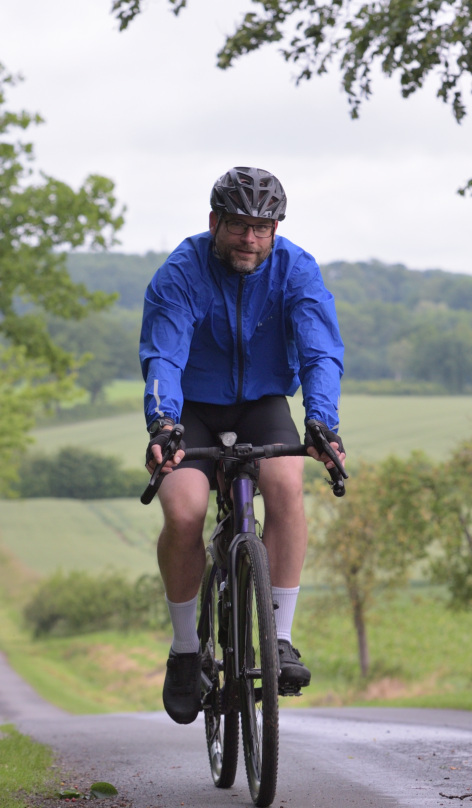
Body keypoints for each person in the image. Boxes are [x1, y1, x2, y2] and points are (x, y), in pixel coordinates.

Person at [139, 167, 345, 725]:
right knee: (185, 510)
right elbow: (164, 355)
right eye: (237, 226)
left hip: (262, 404)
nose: (249, 239)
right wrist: (163, 423)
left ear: (276, 229)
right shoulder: (182, 271)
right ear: (215, 222)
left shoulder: (296, 269)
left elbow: (320, 351)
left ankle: (279, 639)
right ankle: (186, 651)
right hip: (191, 410)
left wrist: (322, 422)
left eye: (261, 228)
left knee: (285, 485)